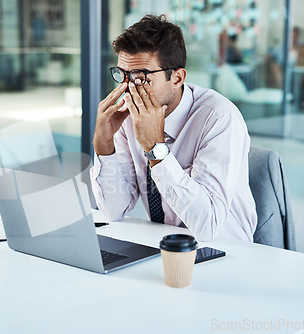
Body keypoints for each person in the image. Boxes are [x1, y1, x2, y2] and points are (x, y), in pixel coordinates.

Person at [90, 14, 257, 242]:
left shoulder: (218, 118)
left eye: (141, 77)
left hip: (224, 251)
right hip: (165, 248)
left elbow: (207, 226)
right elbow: (114, 210)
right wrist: (104, 144)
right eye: (124, 75)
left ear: (177, 78)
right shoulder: (129, 118)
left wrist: (155, 149)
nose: (128, 88)